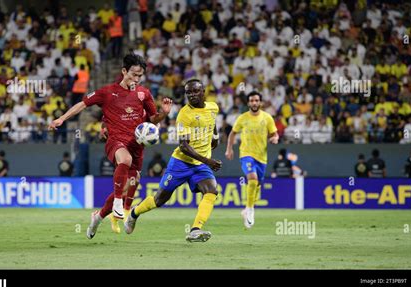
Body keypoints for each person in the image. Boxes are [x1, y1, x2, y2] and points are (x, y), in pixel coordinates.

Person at [48, 53, 173, 238]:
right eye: (134, 74)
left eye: (140, 75)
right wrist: (61, 119)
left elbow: (153, 120)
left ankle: (97, 217)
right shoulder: (107, 92)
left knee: (130, 183)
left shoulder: (143, 93)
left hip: (137, 144)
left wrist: (164, 112)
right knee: (125, 160)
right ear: (124, 71)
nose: (137, 79)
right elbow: (82, 105)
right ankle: (117, 203)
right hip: (116, 141)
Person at [124, 79, 222, 243]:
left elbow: (212, 123)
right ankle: (134, 213)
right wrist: (208, 160)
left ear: (203, 91)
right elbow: (183, 146)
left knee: (212, 191)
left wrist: (216, 137)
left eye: (195, 91)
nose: (191, 95)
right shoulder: (184, 114)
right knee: (159, 200)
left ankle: (195, 230)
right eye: (188, 92)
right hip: (181, 163)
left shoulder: (213, 107)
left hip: (200, 165)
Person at [225, 91, 279, 229]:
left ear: (260, 102)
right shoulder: (242, 118)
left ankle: (247, 208)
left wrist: (275, 138)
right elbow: (232, 133)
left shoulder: (267, 118)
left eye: (256, 100)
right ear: (248, 103)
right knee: (252, 179)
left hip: (262, 157)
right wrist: (229, 149)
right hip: (246, 154)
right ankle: (250, 210)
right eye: (251, 100)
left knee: (257, 185)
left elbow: (274, 133)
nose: (254, 103)